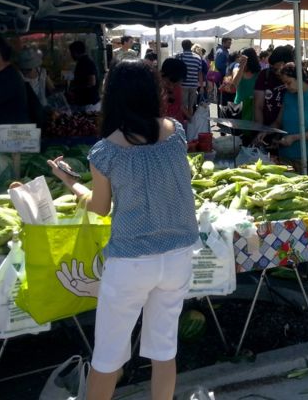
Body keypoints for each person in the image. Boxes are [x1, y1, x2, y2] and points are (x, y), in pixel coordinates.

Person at [48, 59, 198, 400]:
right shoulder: (176, 133)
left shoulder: (105, 151)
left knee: (108, 357)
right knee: (164, 349)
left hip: (131, 261)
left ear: (111, 95)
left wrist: (71, 183)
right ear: (153, 92)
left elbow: (99, 208)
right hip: (178, 257)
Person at [272, 63, 308, 173]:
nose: (286, 86)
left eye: (289, 82)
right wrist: (265, 132)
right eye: (284, 83)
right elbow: (278, 121)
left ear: (299, 78)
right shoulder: (288, 95)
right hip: (285, 158)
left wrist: (294, 138)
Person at [254, 45, 292, 128]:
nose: (277, 72)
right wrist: (259, 129)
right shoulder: (264, 75)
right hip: (266, 125)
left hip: (288, 129)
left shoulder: (296, 78)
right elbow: (258, 106)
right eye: (273, 68)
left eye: (280, 69)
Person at [68, 41, 101, 112]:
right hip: (87, 103)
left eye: (71, 53)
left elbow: (92, 82)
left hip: (89, 104)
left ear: (75, 52)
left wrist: (75, 88)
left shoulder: (86, 62)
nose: (71, 55)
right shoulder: (83, 62)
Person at [230, 47, 261, 122]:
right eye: (239, 57)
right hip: (239, 106)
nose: (239, 59)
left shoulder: (258, 73)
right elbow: (233, 87)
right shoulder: (236, 69)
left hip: (254, 108)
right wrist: (242, 67)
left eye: (241, 57)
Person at [175, 39, 204, 115]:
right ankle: (190, 122)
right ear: (191, 46)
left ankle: (185, 121)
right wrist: (201, 86)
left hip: (183, 84)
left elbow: (176, 70)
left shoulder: (179, 56)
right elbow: (200, 73)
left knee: (182, 105)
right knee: (191, 106)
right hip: (194, 85)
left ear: (182, 46)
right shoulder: (198, 57)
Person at [160, 58, 189, 124]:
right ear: (161, 75)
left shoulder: (178, 88)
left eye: (176, 84)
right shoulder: (154, 89)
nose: (171, 87)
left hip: (177, 126)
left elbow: (180, 105)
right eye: (168, 83)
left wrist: (190, 118)